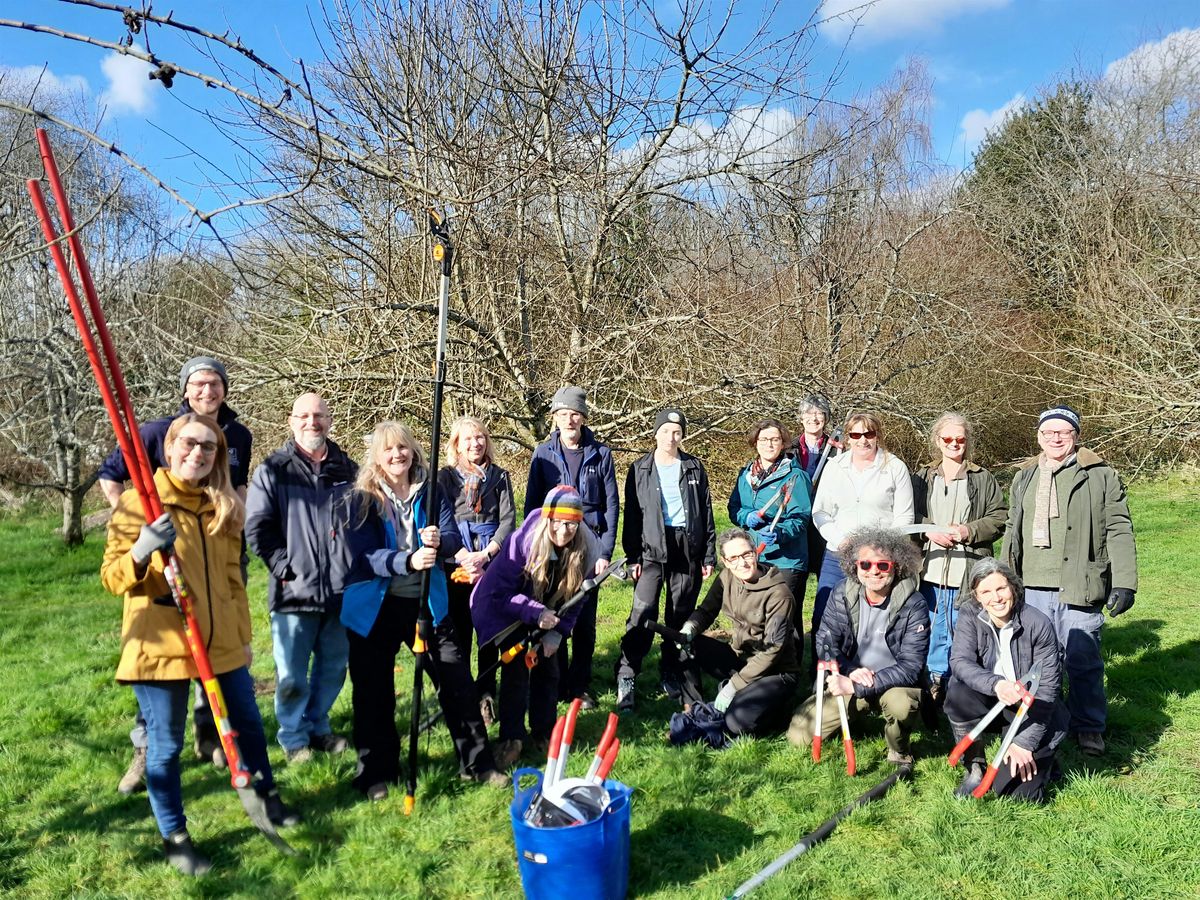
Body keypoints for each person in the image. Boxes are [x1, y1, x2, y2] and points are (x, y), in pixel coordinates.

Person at [100, 414, 299, 876]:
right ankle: (175, 836)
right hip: (161, 642)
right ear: (169, 448)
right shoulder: (138, 504)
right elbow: (112, 579)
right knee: (165, 745)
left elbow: (233, 582)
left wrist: (243, 640)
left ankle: (267, 797)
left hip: (220, 640)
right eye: (189, 444)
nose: (198, 453)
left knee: (248, 723)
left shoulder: (222, 506)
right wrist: (141, 549)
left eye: (209, 448)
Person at [98, 356, 253, 794]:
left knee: (215, 647)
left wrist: (234, 531)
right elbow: (112, 475)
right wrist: (136, 529)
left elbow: (235, 487)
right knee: (163, 661)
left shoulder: (237, 434)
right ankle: (146, 751)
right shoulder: (155, 431)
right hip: (166, 555)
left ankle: (211, 736)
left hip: (216, 543)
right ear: (185, 389)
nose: (208, 391)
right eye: (199, 384)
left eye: (216, 384)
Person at [338, 421, 505, 801]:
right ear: (377, 458)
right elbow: (363, 557)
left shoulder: (429, 490)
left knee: (456, 682)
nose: (398, 455)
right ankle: (377, 772)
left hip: (427, 601)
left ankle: (477, 764)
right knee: (373, 691)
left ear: (413, 450)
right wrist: (407, 560)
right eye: (389, 450)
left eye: (403, 448)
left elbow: (449, 536)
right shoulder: (362, 498)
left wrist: (438, 539)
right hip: (374, 606)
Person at [1000, 404, 1137, 757]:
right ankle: (1040, 723)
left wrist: (1125, 581)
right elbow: (1012, 530)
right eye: (1048, 432)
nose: (1055, 438)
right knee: (1037, 664)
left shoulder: (1100, 474)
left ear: (1076, 436)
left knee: (1082, 658)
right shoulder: (1025, 476)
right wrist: (1004, 578)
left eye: (1063, 432)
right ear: (1039, 436)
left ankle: (1089, 726)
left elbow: (1119, 528)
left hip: (1081, 583)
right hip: (1030, 584)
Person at [245, 393, 357, 763]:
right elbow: (257, 528)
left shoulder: (348, 469)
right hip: (294, 592)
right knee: (291, 675)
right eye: (304, 416)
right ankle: (293, 738)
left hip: (341, 592)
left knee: (332, 668)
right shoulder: (273, 469)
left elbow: (366, 523)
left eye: (319, 416)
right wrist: (284, 568)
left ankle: (319, 727)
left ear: (329, 420)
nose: (313, 422)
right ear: (291, 422)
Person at [471, 485, 602, 769]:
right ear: (548, 519)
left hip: (547, 608)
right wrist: (536, 612)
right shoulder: (522, 543)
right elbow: (500, 594)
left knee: (549, 666)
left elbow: (577, 600)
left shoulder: (585, 549)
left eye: (572, 524)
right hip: (507, 607)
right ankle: (512, 739)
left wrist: (557, 633)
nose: (565, 531)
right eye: (559, 522)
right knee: (516, 668)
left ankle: (544, 731)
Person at [787, 527, 928, 766]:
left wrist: (855, 685)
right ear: (855, 566)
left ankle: (899, 748)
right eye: (865, 565)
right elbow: (824, 641)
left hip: (892, 684)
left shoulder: (915, 603)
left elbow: (911, 667)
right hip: (850, 677)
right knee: (798, 737)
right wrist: (849, 670)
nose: (874, 571)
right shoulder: (842, 593)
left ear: (896, 566)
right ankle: (856, 718)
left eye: (883, 565)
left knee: (902, 705)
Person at [524, 386, 619, 709]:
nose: (569, 419)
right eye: (563, 414)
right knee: (557, 611)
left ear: (584, 418)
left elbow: (611, 506)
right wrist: (538, 550)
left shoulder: (601, 454)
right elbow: (532, 507)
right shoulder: (542, 454)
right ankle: (558, 682)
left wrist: (605, 552)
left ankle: (580, 686)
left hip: (590, 548)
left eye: (575, 413)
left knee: (585, 622)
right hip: (555, 546)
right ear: (555, 418)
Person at [615, 409, 716, 711]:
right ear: (656, 433)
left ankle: (671, 671)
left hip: (687, 549)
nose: (671, 437)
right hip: (650, 549)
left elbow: (707, 512)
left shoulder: (694, 467)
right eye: (666, 431)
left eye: (677, 432)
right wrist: (633, 555)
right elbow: (631, 516)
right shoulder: (640, 468)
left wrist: (708, 553)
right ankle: (627, 675)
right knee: (642, 613)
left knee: (679, 616)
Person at [944, 559, 1069, 802]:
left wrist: (1023, 743)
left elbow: (1048, 690)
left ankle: (1045, 756)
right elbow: (960, 662)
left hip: (1034, 710)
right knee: (957, 696)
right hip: (994, 697)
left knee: (1016, 795)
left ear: (1013, 587)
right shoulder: (969, 615)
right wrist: (996, 684)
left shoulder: (1038, 623)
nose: (996, 598)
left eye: (1001, 588)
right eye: (986, 592)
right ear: (976, 596)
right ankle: (974, 770)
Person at [911, 412, 1006, 702]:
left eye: (960, 439)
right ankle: (931, 686)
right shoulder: (922, 477)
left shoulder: (982, 477)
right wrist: (928, 531)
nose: (954, 444)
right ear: (937, 441)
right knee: (930, 628)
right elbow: (907, 514)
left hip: (967, 570)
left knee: (961, 631)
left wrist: (968, 530)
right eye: (948, 438)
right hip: (929, 570)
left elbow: (1000, 517)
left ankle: (960, 686)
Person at [675, 528, 801, 738]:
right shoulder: (726, 578)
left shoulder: (780, 595)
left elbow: (772, 652)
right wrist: (691, 627)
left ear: (755, 553)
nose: (741, 563)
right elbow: (707, 610)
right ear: (725, 561)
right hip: (740, 658)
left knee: (735, 723)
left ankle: (776, 710)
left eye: (746, 555)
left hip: (775, 671)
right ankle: (694, 707)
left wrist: (733, 686)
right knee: (683, 644)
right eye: (733, 558)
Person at [437, 416, 517, 725]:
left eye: (480, 437)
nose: (476, 443)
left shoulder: (499, 476)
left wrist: (487, 554)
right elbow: (440, 519)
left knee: (489, 631)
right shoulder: (444, 479)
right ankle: (461, 696)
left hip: (490, 561)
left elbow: (509, 520)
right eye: (468, 439)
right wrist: (462, 556)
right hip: (455, 561)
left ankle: (486, 694)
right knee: (459, 632)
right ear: (456, 445)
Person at [810, 411, 914, 639]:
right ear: (847, 438)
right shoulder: (834, 466)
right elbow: (820, 512)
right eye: (855, 434)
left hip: (880, 558)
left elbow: (904, 518)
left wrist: (883, 549)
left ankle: (871, 667)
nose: (862, 440)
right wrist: (839, 540)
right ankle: (823, 668)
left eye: (869, 433)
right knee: (825, 613)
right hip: (839, 553)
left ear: (878, 435)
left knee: (874, 617)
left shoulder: (895, 467)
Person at [727, 418, 813, 639]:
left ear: (783, 443)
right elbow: (734, 508)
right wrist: (747, 516)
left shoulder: (795, 476)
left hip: (786, 560)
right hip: (753, 557)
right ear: (755, 442)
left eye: (775, 439)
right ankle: (757, 668)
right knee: (756, 615)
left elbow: (800, 517)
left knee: (784, 620)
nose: (769, 444)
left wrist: (779, 533)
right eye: (764, 439)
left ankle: (789, 671)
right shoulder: (745, 475)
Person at [791, 394, 840, 598]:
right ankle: (794, 631)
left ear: (826, 418)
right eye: (809, 413)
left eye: (819, 413)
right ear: (801, 418)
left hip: (825, 519)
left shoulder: (838, 449)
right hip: (797, 519)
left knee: (827, 578)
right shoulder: (788, 448)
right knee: (795, 579)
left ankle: (823, 627)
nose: (814, 418)